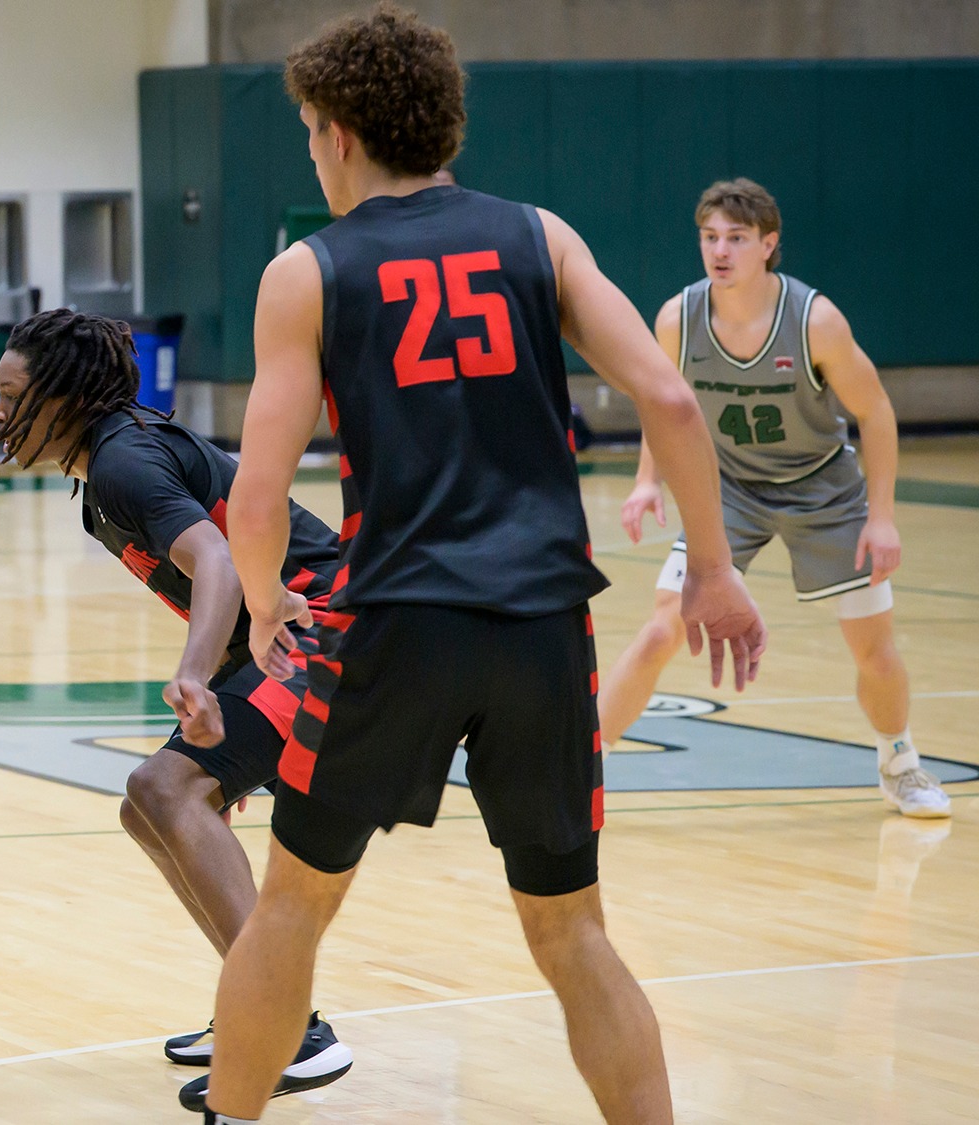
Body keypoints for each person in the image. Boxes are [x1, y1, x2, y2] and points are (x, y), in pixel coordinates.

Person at [197, 6, 768, 1123]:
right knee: (569, 930)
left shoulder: (306, 272)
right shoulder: (538, 235)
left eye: (309, 129)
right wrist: (710, 566)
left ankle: (230, 1115)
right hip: (544, 625)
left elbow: (255, 495)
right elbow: (665, 395)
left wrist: (262, 602)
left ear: (340, 135)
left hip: (390, 625)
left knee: (290, 908)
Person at [0, 308, 353, 1094]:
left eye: (11, 394)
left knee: (167, 786)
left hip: (333, 626)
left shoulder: (123, 460)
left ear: (61, 394)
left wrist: (196, 680)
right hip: (287, 635)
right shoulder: (103, 476)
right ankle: (257, 996)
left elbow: (219, 562)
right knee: (148, 804)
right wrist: (223, 703)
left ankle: (287, 1024)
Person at [599, 178, 950, 818]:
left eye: (736, 238)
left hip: (823, 487)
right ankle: (583, 770)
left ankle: (900, 762)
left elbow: (875, 413)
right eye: (710, 238)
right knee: (659, 630)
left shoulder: (815, 320)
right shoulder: (679, 316)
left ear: (768, 245)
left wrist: (882, 518)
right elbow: (662, 403)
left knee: (873, 648)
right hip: (726, 488)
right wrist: (646, 480)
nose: (720, 251)